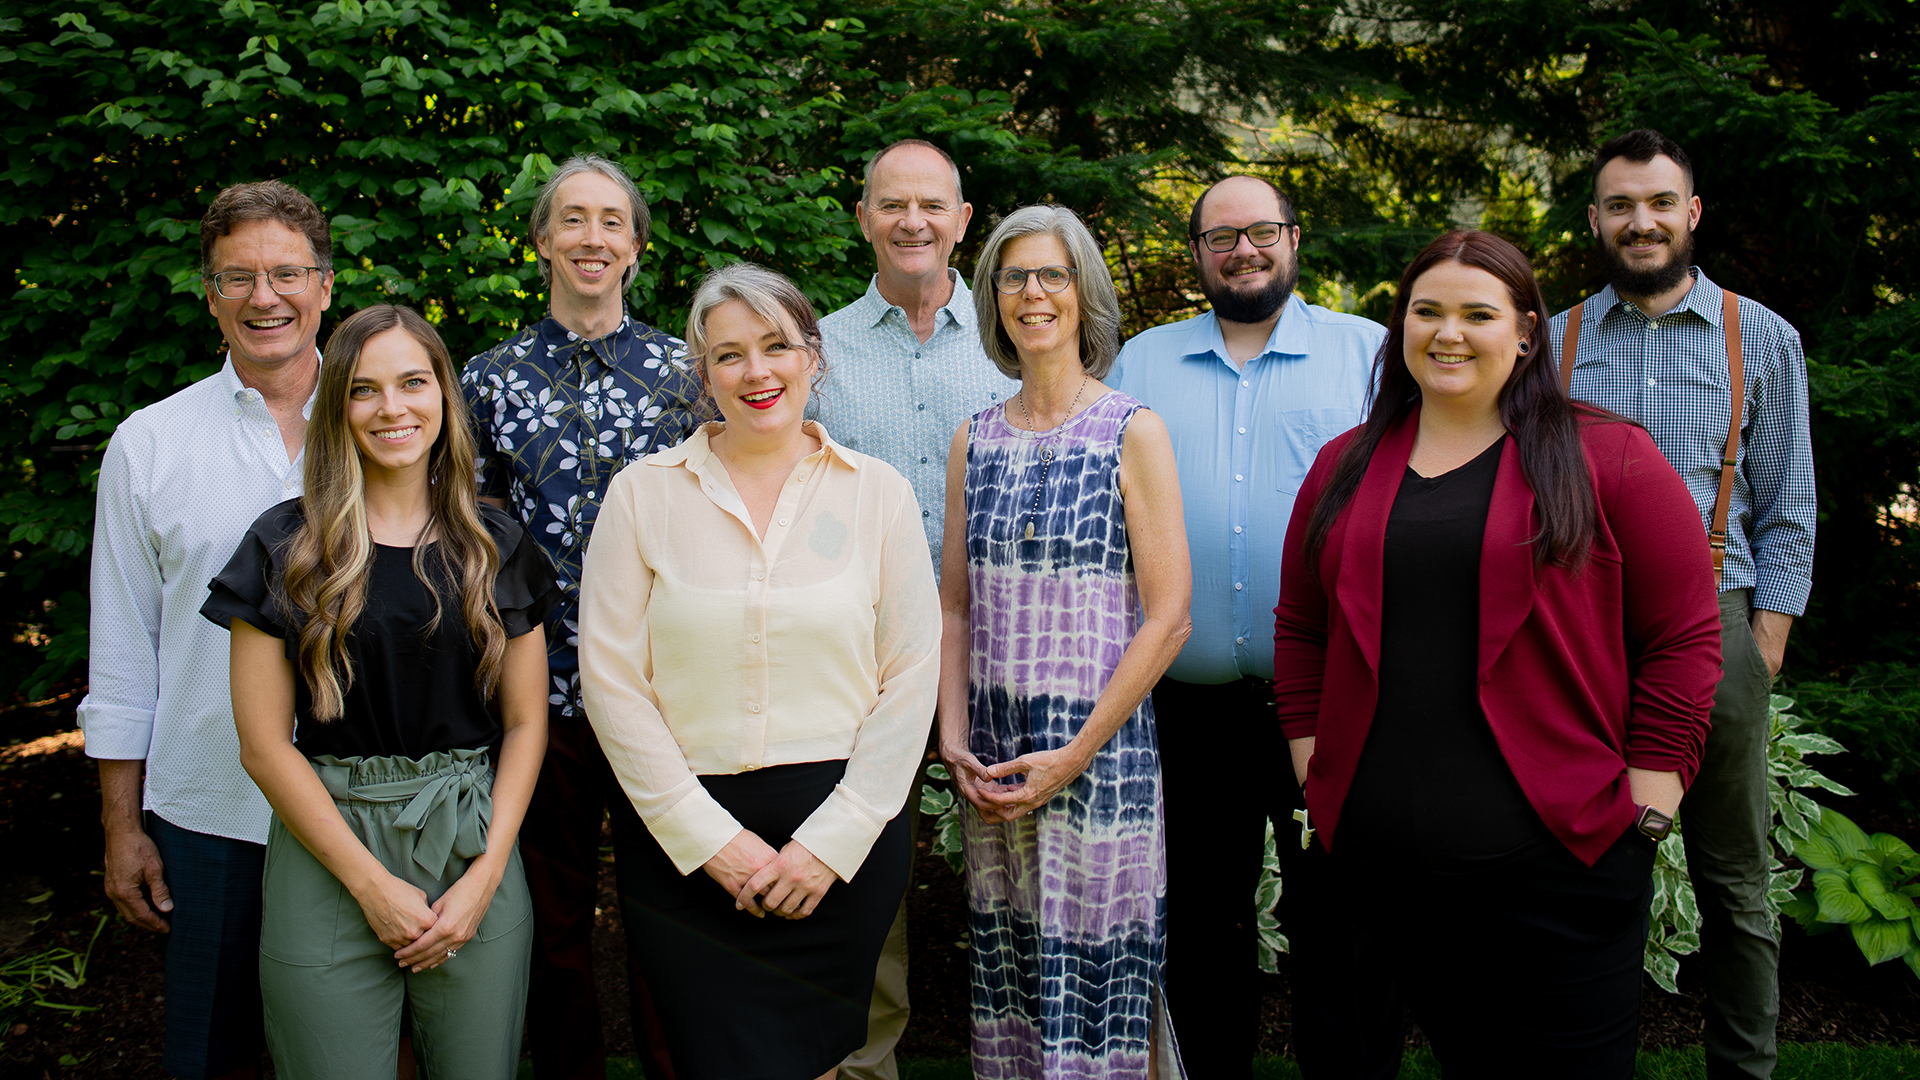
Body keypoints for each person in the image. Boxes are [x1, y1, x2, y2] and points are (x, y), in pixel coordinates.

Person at [1272, 229, 1724, 1076]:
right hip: (1388, 877)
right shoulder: (1344, 465)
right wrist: (1312, 761)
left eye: (1477, 313)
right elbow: (1301, 626)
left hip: (1562, 874)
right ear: (1399, 326)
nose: (1448, 333)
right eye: (1426, 311)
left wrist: (1652, 795)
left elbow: (1684, 633)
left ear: (1524, 330)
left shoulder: (1608, 457)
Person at [577, 262, 941, 1080]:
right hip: (685, 844)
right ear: (702, 374)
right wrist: (712, 843)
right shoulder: (643, 496)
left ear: (813, 355)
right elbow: (610, 682)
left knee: (823, 1063)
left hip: (842, 837)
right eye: (729, 354)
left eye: (776, 346)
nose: (757, 372)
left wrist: (830, 845)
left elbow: (912, 676)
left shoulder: (876, 494)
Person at [201, 304, 555, 1078]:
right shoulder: (284, 548)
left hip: (471, 842)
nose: (392, 408)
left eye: (413, 383)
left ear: (443, 398)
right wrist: (370, 884)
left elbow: (528, 723)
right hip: (329, 849)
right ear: (338, 408)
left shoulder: (495, 546)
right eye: (364, 389)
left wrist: (486, 876)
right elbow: (263, 746)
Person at [1108, 174, 1402, 1079]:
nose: (1244, 248)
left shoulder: (1372, 356)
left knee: (1343, 917)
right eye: (1221, 235)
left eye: (1262, 230)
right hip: (1189, 707)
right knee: (1201, 919)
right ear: (1196, 253)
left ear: (1294, 237)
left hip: (1338, 703)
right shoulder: (1142, 365)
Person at [1551, 129, 1815, 1080]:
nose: (1641, 221)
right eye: (1620, 205)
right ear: (1596, 220)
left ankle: (1744, 1072)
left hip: (1718, 626)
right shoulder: (1553, 341)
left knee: (1736, 882)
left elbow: (1790, 504)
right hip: (1580, 635)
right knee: (1582, 873)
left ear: (1691, 213)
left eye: (1660, 203)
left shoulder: (1764, 339)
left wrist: (1765, 644)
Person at [77, 180, 334, 1080]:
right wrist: (123, 824)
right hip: (210, 810)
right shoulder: (149, 444)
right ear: (210, 293)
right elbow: (122, 652)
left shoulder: (392, 422)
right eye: (238, 278)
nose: (265, 297)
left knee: (363, 1054)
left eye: (286, 274)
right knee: (210, 1056)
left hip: (369, 802)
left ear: (325, 286)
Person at [460, 153, 703, 1080]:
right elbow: (470, 537)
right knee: (551, 923)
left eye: (611, 220)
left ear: (635, 246)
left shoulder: (689, 376)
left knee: (672, 916)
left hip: (667, 694)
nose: (592, 236)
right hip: (538, 698)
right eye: (573, 218)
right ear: (542, 241)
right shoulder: (487, 380)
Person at [940, 204, 1192, 1078]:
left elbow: (1170, 618)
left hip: (1101, 758)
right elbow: (956, 608)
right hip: (998, 760)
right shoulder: (973, 439)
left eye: (1052, 275)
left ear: (1084, 291)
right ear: (992, 297)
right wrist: (952, 739)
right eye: (1014, 277)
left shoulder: (1133, 429)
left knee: (1099, 981)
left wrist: (1077, 753)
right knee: (1011, 976)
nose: (1033, 293)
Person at [812, 137, 1018, 1080]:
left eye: (932, 205)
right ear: (863, 218)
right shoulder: (817, 350)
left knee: (1021, 863)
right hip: (865, 654)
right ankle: (864, 1064)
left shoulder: (1020, 334)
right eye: (892, 205)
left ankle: (1026, 1054)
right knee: (862, 871)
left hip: (1011, 643)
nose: (913, 223)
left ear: (963, 220)